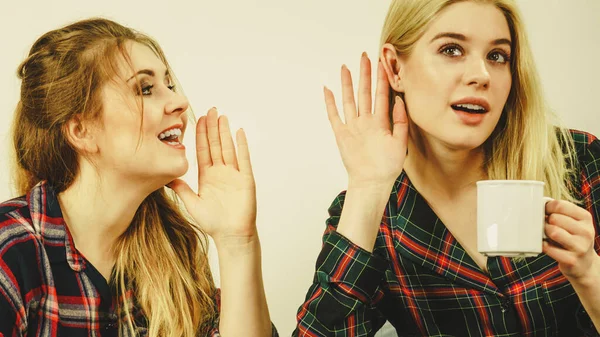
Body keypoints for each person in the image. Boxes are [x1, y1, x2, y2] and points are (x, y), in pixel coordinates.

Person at [295, 0, 599, 336]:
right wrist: (367, 187)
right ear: (396, 68)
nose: (481, 75)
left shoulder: (581, 161)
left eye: (497, 56)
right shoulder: (373, 216)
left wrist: (589, 273)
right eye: (452, 49)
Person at [0, 18, 277, 337]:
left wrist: (237, 244)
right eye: (145, 89)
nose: (179, 102)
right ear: (82, 131)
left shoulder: (172, 250)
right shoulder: (12, 249)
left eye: (169, 85)